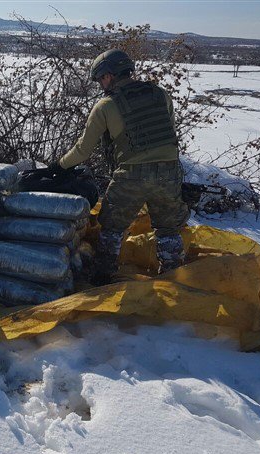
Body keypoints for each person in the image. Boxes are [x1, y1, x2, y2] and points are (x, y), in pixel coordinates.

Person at [49, 49, 189, 284]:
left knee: (112, 228)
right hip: (170, 171)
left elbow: (84, 149)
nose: (101, 84)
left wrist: (59, 166)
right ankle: (173, 278)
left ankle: (103, 278)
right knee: (168, 229)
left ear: (108, 76)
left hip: (131, 175)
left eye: (101, 79)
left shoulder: (106, 106)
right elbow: (169, 135)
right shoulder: (161, 94)